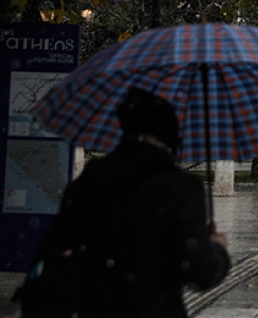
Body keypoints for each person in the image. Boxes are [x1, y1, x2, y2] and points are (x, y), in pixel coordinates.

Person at [18, 87, 230, 317]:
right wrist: (216, 247)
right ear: (167, 133)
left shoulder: (88, 181)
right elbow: (201, 272)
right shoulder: (179, 188)